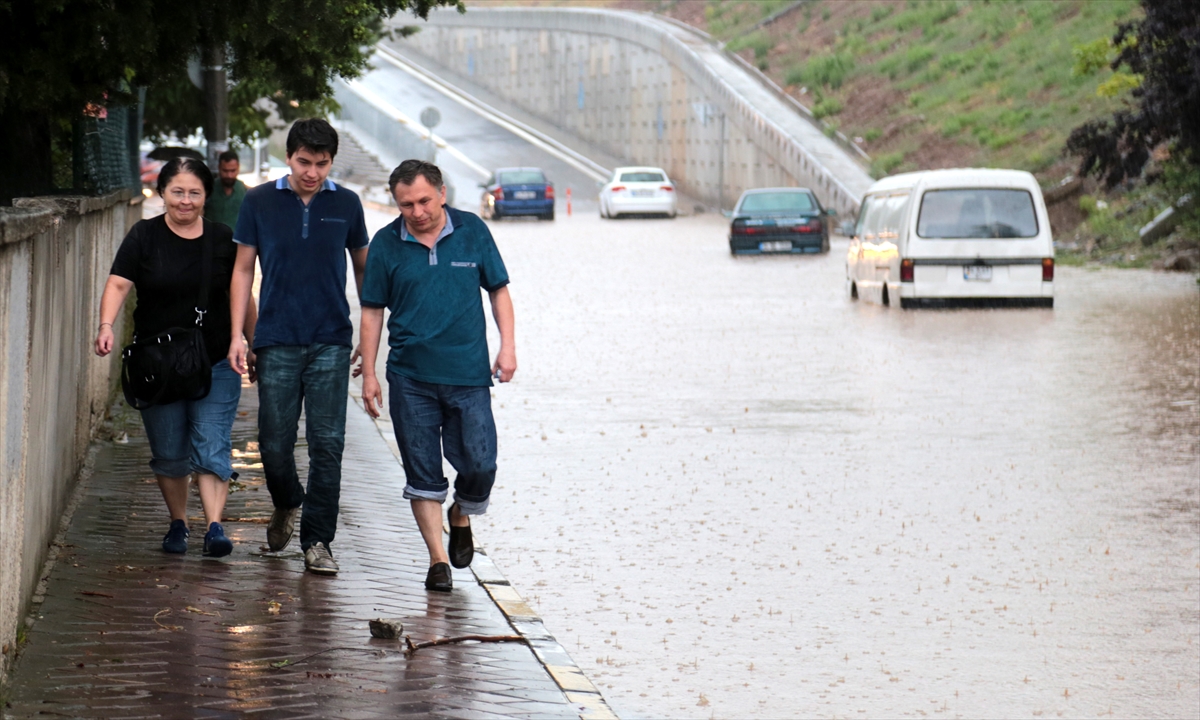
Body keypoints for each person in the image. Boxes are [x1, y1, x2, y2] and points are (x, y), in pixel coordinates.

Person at [358, 159, 516, 592]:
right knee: (422, 472)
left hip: (468, 373)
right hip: (410, 378)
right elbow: (372, 311)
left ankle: (461, 513)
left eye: (425, 200)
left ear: (442, 193)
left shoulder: (473, 232)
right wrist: (369, 374)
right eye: (406, 204)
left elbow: (499, 290)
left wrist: (508, 346)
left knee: (481, 464)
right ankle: (438, 560)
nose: (417, 211)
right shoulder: (386, 244)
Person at [94, 157, 257, 557]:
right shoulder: (144, 236)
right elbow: (118, 283)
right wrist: (106, 325)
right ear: (163, 192)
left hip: (215, 360)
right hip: (157, 367)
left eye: (194, 193)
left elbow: (242, 295)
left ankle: (215, 527)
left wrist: (254, 344)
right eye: (178, 192)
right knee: (169, 454)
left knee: (212, 443)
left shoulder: (222, 239)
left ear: (206, 196)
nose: (185, 201)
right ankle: (178, 523)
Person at [228, 118, 369, 576]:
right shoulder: (259, 201)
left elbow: (365, 270)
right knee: (273, 442)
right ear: (288, 157)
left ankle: (318, 541)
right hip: (275, 338)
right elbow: (243, 271)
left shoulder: (347, 204)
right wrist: (238, 334)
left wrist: (370, 340)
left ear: (331, 161)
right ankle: (287, 501)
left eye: (322, 163)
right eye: (304, 162)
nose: (312, 172)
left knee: (328, 445)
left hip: (331, 339)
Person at [205, 150, 247, 232]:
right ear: (219, 168)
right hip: (212, 240)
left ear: (238, 168)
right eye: (225, 171)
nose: (229, 175)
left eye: (233, 171)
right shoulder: (208, 188)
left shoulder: (244, 191)